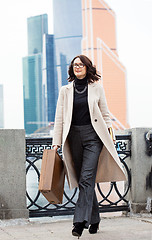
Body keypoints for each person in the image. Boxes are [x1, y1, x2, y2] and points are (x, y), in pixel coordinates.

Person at [52, 55, 126, 238]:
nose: (77, 67)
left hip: (94, 138)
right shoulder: (65, 90)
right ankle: (95, 219)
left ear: (87, 67)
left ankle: (79, 222)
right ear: (72, 69)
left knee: (86, 178)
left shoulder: (96, 88)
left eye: (80, 64)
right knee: (85, 179)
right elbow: (59, 118)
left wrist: (111, 137)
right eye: (74, 65)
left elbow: (105, 115)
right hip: (73, 138)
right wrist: (56, 141)